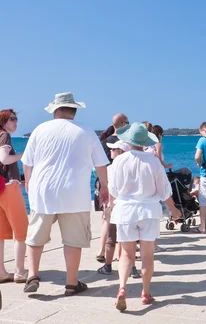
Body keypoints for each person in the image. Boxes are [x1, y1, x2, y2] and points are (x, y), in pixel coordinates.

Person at [22, 92, 109, 295]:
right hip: (74, 193)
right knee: (72, 240)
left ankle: (32, 275)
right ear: (74, 111)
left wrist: (29, 182)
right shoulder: (86, 131)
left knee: (35, 237)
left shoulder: (40, 129)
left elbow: (27, 162)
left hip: (43, 191)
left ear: (55, 110)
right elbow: (101, 163)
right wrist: (104, 187)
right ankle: (71, 284)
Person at [108, 123, 181, 311]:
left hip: (125, 211)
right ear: (145, 141)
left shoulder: (119, 161)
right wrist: (174, 211)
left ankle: (122, 288)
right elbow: (164, 191)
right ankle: (145, 293)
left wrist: (111, 207)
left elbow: (113, 191)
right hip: (148, 211)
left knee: (126, 254)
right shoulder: (153, 161)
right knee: (147, 256)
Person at [97, 140, 141, 278]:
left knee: (111, 238)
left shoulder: (111, 168)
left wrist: (109, 206)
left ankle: (108, 266)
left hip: (116, 205)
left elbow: (110, 190)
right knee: (129, 239)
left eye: (113, 149)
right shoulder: (134, 167)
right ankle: (132, 268)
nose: (110, 151)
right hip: (131, 206)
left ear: (119, 151)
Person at [0, 109, 28, 283]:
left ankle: (2, 273)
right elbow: (4, 159)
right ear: (3, 121)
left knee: (0, 233)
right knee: (21, 230)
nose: (15, 122)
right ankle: (20, 272)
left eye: (16, 119)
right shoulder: (4, 136)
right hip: (9, 187)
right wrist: (21, 156)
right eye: (12, 119)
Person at [97, 113, 129, 265]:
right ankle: (118, 253)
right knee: (120, 220)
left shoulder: (103, 141)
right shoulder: (125, 141)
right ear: (123, 123)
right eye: (127, 122)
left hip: (103, 180)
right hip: (117, 182)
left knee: (106, 218)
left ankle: (101, 250)